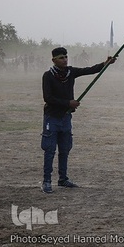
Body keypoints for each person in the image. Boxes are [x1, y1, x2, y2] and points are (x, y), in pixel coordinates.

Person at [41, 47, 117, 194]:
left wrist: (105, 64)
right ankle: (47, 181)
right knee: (49, 150)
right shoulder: (48, 76)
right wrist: (68, 103)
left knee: (65, 149)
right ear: (54, 60)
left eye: (65, 57)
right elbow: (48, 98)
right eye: (61, 57)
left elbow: (89, 70)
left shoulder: (71, 72)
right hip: (52, 117)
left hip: (66, 118)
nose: (64, 59)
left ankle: (63, 179)